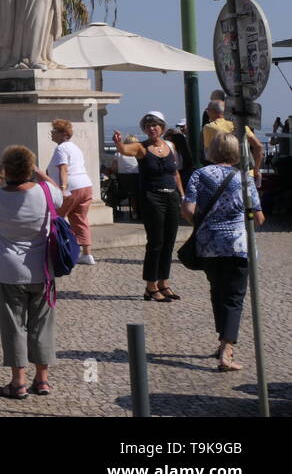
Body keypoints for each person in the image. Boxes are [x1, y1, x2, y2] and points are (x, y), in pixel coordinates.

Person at [184, 131, 265, 372]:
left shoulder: (199, 174)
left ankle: (222, 341)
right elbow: (258, 217)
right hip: (238, 245)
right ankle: (227, 351)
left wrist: (204, 225)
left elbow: (187, 209)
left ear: (211, 150)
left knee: (217, 292)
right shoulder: (244, 178)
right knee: (234, 297)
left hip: (208, 245)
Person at [0, 145, 58, 399]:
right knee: (42, 324)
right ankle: (43, 379)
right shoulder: (45, 193)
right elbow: (60, 193)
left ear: (7, 169)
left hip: (9, 270)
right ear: (30, 168)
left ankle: (18, 382)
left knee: (14, 325)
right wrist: (40, 172)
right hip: (43, 268)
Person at [113, 113, 184, 302]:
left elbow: (175, 173)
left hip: (171, 196)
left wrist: (182, 196)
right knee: (156, 242)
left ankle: (163, 282)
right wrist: (119, 143)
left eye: (155, 125)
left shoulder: (170, 146)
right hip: (152, 197)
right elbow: (125, 150)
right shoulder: (141, 147)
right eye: (148, 125)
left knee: (169, 242)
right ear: (144, 129)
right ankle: (150, 285)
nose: (152, 128)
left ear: (162, 127)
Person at [47, 119, 96, 265]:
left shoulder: (61, 148)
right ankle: (87, 255)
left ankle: (56, 252)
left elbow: (63, 168)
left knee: (55, 219)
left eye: (54, 131)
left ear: (62, 134)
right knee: (80, 219)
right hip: (86, 186)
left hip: (71, 188)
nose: (51, 133)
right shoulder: (75, 147)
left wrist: (62, 188)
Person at [202, 100, 263, 191]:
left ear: (213, 111)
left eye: (208, 111)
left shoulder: (210, 127)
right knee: (249, 203)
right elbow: (259, 146)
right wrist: (256, 170)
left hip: (225, 175)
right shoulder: (239, 125)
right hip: (247, 173)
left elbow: (208, 154)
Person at [114, 134, 141, 219]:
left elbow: (113, 168)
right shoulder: (139, 155)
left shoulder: (118, 154)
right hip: (138, 185)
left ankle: (133, 212)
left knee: (131, 192)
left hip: (123, 186)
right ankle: (138, 211)